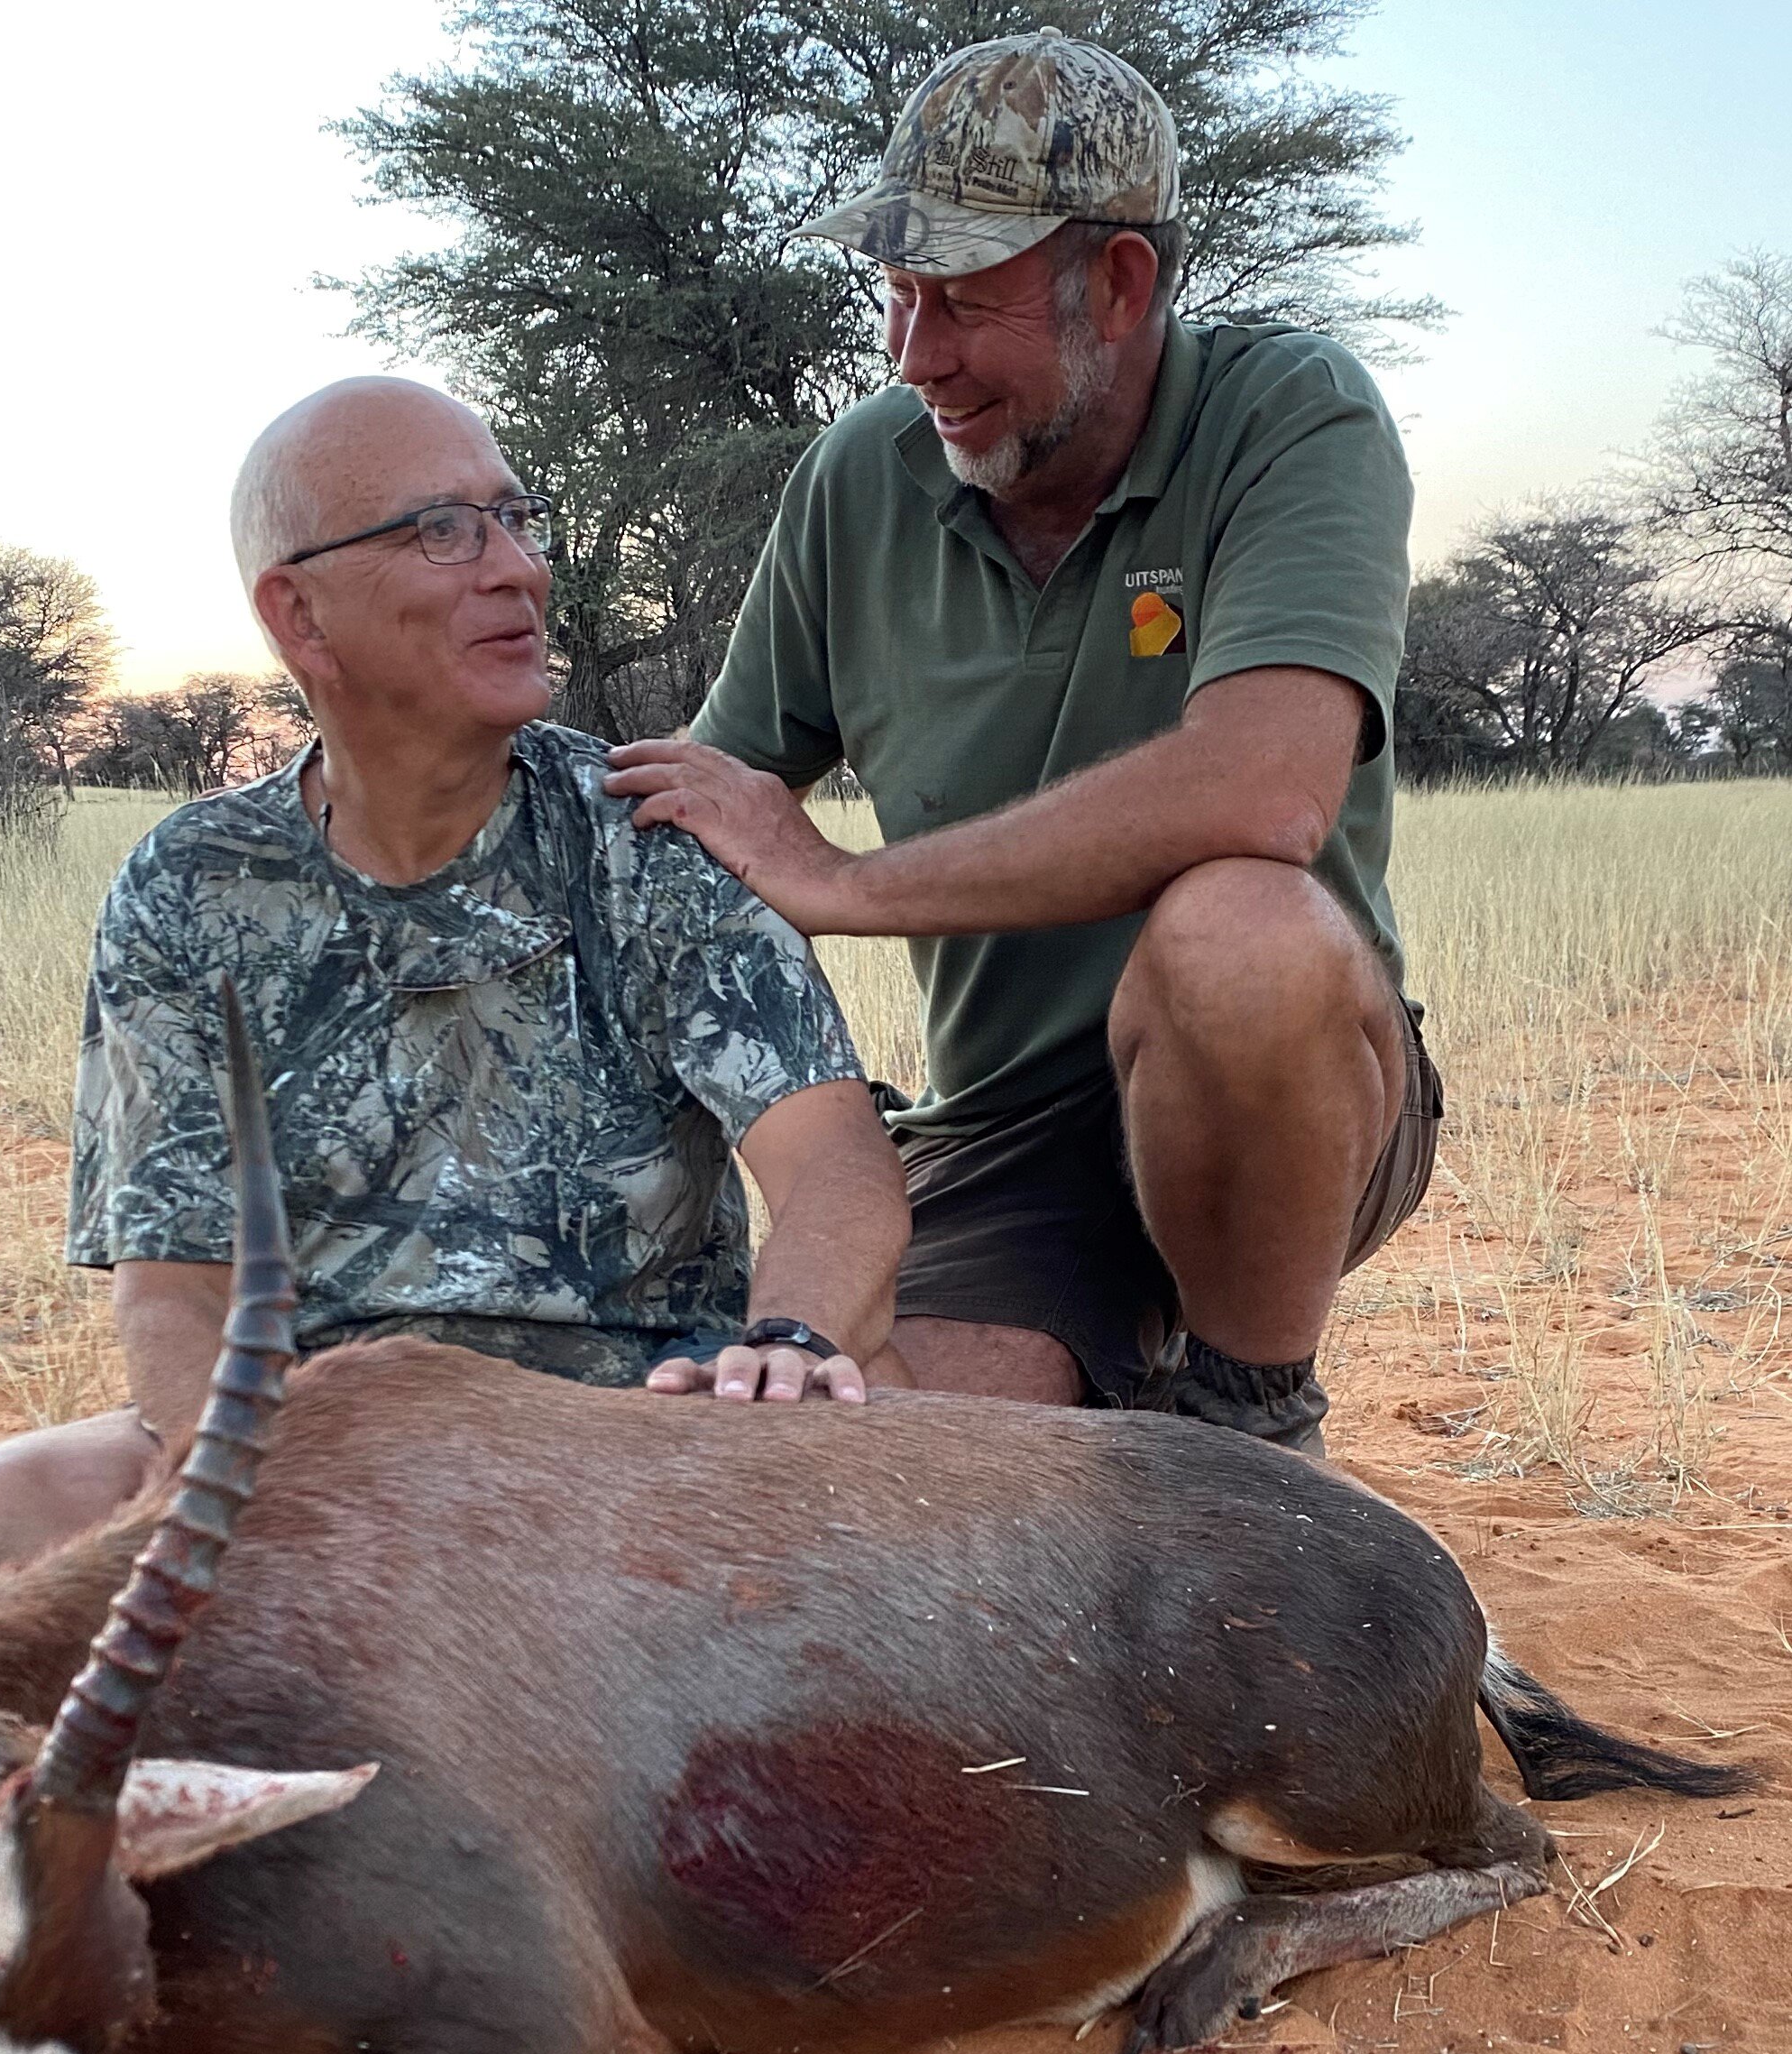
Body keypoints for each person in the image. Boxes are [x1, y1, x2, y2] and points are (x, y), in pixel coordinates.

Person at [0, 378, 908, 1594]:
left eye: (515, 518)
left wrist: (787, 1343)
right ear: (301, 615)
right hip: (323, 1447)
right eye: (445, 531)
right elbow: (176, 1291)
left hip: (644, 1428)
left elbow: (839, 1170)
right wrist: (251, 1477)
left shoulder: (655, 830)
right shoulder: (189, 885)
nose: (519, 571)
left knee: (878, 1453)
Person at [604, 26, 1436, 1460]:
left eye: (963, 303)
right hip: (1002, 1132)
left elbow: (1269, 789)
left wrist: (849, 886)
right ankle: (1107, 1414)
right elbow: (717, 805)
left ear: (1120, 286)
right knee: (868, 1465)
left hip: (1285, 1092)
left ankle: (1255, 1426)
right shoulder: (857, 473)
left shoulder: (1295, 411)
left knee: (1242, 929)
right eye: (895, 294)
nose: (913, 355)